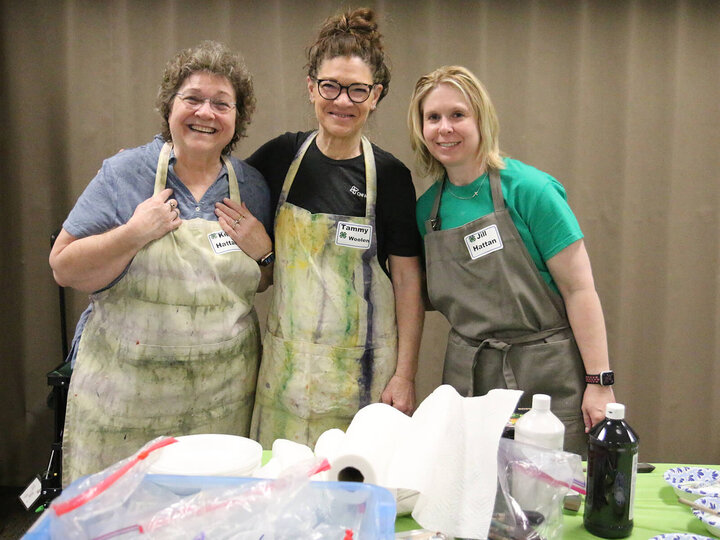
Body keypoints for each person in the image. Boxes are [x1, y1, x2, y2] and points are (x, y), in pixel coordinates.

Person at [49, 41, 273, 484]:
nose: (205, 113)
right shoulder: (124, 173)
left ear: (237, 118)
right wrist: (134, 232)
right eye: (192, 99)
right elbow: (64, 267)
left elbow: (257, 282)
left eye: (221, 104)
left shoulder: (250, 185)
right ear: (169, 106)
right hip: (124, 399)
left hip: (220, 398)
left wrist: (264, 251)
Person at [221, 8, 424, 449]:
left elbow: (408, 281)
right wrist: (262, 255)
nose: (343, 101)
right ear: (312, 87)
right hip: (286, 375)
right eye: (331, 86)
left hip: (365, 379)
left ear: (376, 95)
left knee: (353, 499)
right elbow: (221, 208)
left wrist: (405, 376)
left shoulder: (389, 176)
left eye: (358, 90)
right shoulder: (281, 158)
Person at [408, 66, 615, 456]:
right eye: (432, 117)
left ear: (481, 119)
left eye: (457, 115)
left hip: (546, 376)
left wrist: (599, 382)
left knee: (552, 495)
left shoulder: (531, 191)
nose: (444, 128)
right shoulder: (426, 213)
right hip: (469, 379)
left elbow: (579, 289)